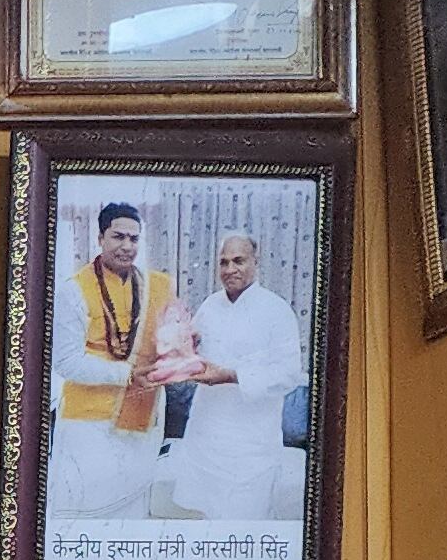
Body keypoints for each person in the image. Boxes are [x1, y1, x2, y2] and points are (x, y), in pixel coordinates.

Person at [159, 228, 307, 526]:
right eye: (224, 262)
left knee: (244, 526)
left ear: (255, 261)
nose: (230, 269)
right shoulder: (210, 306)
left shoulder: (276, 311)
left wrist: (233, 375)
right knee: (206, 525)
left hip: (250, 443)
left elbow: (288, 374)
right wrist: (183, 351)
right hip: (207, 436)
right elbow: (194, 355)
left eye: (238, 261)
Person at [52, 198, 178, 520]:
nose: (126, 246)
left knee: (131, 515)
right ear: (100, 238)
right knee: (82, 512)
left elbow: (170, 337)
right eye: (118, 236)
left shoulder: (157, 286)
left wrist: (182, 344)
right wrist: (126, 375)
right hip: (88, 422)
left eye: (134, 238)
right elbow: (66, 361)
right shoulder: (74, 290)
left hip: (141, 415)